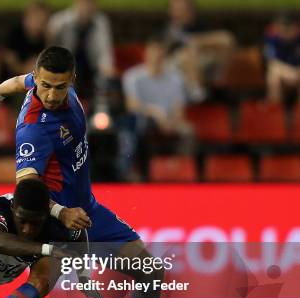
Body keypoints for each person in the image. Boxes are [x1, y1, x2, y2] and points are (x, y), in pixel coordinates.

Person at [0, 46, 184, 298]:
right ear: (39, 80)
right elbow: (27, 187)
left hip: (87, 210)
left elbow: (18, 81)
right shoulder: (33, 130)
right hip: (56, 216)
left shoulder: (44, 81)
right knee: (41, 282)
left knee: (149, 270)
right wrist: (60, 212)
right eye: (45, 86)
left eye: (60, 87)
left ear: (72, 80)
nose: (52, 95)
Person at [120, 34, 194, 179]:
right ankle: (139, 173)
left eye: (160, 53)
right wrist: (155, 114)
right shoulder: (133, 76)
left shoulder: (176, 78)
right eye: (153, 52)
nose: (157, 57)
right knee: (138, 125)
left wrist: (172, 122)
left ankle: (180, 171)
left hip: (171, 121)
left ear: (165, 55)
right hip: (147, 121)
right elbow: (132, 106)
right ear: (146, 54)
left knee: (189, 131)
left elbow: (179, 110)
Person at [163, 0, 235, 102]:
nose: (180, 13)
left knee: (226, 40)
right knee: (187, 54)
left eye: (184, 10)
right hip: (177, 69)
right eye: (177, 10)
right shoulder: (169, 31)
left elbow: (226, 39)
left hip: (205, 65)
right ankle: (196, 92)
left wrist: (197, 42)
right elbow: (161, 56)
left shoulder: (201, 26)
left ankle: (219, 82)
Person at [47, 0, 115, 98]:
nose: (87, 7)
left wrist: (107, 67)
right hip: (65, 67)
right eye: (84, 3)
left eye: (91, 3)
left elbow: (105, 51)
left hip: (92, 68)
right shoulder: (59, 21)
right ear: (76, 3)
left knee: (107, 82)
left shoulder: (101, 22)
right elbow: (50, 49)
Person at [2, 1, 49, 76]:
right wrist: (23, 69)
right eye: (36, 20)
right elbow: (9, 59)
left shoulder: (43, 38)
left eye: (43, 22)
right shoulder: (15, 33)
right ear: (25, 19)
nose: (39, 26)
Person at [264, 13, 300, 103]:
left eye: (289, 27)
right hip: (280, 69)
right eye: (283, 27)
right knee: (273, 73)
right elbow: (271, 60)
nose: (286, 30)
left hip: (297, 68)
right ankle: (275, 108)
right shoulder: (272, 38)